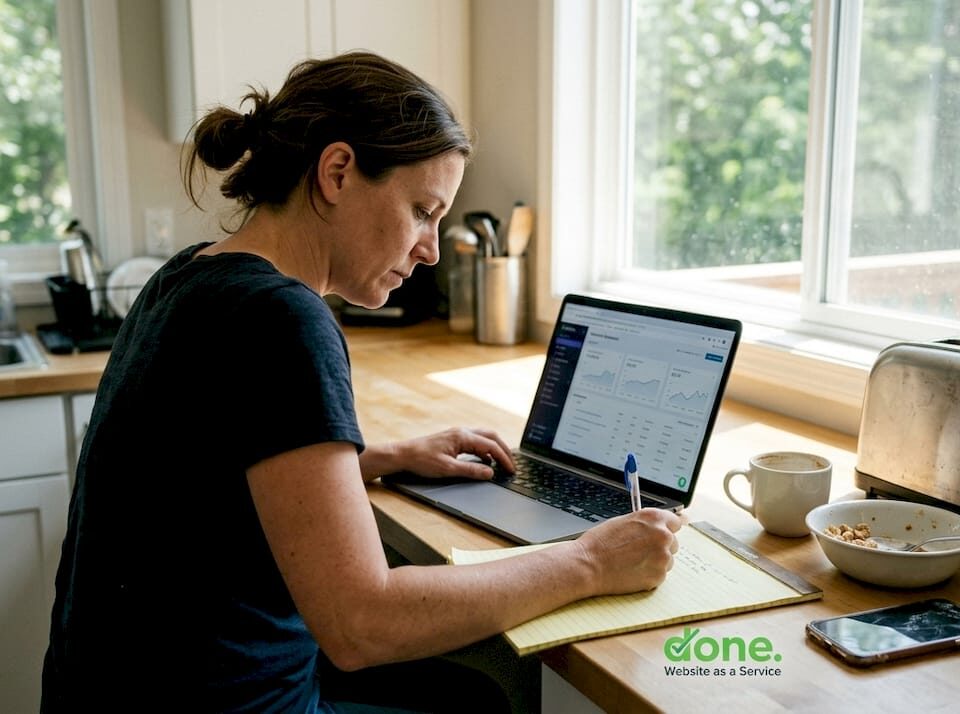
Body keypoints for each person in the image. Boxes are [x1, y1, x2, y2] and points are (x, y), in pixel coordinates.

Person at [41, 51, 685, 713]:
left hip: (102, 692)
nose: (431, 247)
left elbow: (206, 478)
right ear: (338, 172)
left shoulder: (188, 276)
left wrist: (376, 459)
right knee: (484, 700)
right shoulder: (283, 318)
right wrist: (588, 563)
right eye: (421, 210)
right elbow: (361, 624)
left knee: (471, 691)